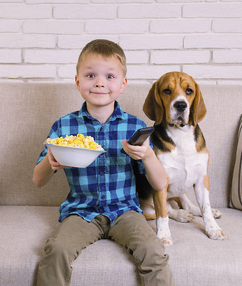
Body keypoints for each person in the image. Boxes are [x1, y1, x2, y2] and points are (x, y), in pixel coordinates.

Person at [33, 39, 174, 286]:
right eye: (90, 75)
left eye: (109, 76)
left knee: (154, 251)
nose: (99, 82)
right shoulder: (64, 126)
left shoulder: (135, 127)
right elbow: (38, 180)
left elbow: (160, 182)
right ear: (78, 81)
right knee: (56, 250)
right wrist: (51, 161)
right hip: (82, 211)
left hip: (125, 211)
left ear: (122, 85)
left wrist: (148, 156)